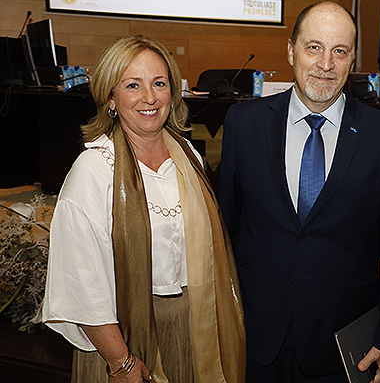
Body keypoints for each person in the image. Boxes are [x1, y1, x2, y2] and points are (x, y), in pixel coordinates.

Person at [219, 1, 380, 383]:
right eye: (314, 47)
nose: (326, 63)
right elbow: (225, 230)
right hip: (255, 336)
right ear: (291, 49)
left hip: (343, 347)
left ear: (352, 59)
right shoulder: (244, 124)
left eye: (339, 51)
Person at [41, 35, 245, 383]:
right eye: (133, 85)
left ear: (172, 93)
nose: (149, 98)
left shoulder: (190, 159)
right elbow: (81, 282)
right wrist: (122, 362)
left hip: (193, 331)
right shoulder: (93, 170)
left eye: (159, 84)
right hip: (123, 345)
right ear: (111, 98)